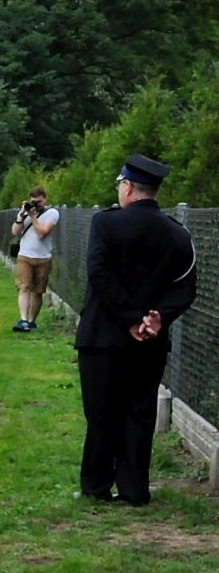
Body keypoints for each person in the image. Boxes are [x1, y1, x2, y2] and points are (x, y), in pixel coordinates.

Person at [74, 154, 196, 506]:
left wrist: (130, 317)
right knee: (139, 413)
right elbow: (185, 286)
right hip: (150, 341)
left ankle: (97, 485)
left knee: (100, 412)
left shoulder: (106, 224)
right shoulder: (177, 233)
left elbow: (99, 274)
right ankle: (133, 489)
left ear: (128, 187)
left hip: (103, 337)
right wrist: (157, 318)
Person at [10, 187, 59, 332]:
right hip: (25, 256)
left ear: (45, 199)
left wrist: (33, 216)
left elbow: (42, 233)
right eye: (34, 201)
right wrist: (21, 214)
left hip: (43, 258)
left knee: (37, 291)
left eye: (39, 201)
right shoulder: (26, 212)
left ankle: (31, 321)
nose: (36, 204)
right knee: (24, 287)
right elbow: (15, 232)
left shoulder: (52, 213)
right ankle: (23, 320)